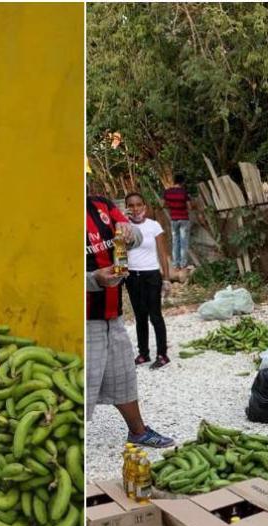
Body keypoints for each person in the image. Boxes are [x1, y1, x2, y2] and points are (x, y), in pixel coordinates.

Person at [86, 182, 175, 447]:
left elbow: (134, 238)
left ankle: (137, 431)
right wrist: (93, 280)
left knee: (122, 372)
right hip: (83, 317)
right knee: (83, 380)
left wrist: (129, 231)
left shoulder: (102, 205)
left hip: (111, 312)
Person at [122, 192, 172, 369]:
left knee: (155, 316)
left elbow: (163, 253)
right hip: (132, 277)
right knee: (140, 316)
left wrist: (166, 279)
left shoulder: (154, 226)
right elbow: (119, 252)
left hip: (151, 275)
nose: (135, 209)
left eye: (138, 205)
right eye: (131, 206)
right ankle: (143, 353)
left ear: (144, 207)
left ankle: (162, 354)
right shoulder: (123, 226)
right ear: (126, 208)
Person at [163, 175, 192, 270]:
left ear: (174, 181)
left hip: (173, 219)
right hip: (184, 219)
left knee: (175, 241)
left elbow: (164, 205)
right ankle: (183, 264)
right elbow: (189, 207)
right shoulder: (184, 192)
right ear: (182, 182)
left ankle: (175, 264)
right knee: (184, 242)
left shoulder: (167, 192)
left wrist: (172, 206)